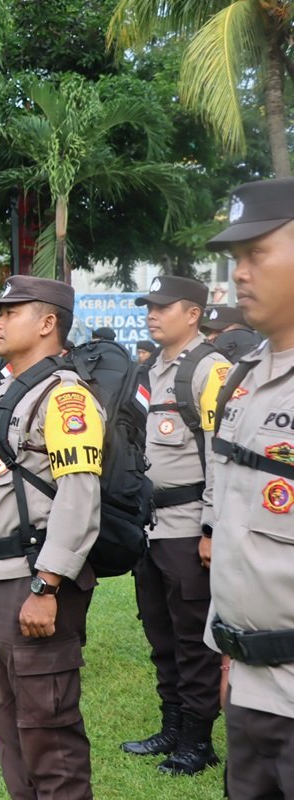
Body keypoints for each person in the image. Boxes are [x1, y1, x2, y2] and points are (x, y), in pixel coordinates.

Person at [0, 275, 103, 799]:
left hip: (32, 581)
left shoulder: (65, 398)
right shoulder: (11, 390)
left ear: (48, 322)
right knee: (9, 721)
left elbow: (79, 498)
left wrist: (49, 584)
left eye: (12, 312)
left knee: (47, 731)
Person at [202, 177, 294, 797]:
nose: (239, 273)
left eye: (257, 253)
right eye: (235, 258)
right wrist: (231, 651)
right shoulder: (247, 375)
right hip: (254, 682)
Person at [122, 275, 227, 774]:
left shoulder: (210, 370)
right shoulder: (154, 369)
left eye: (164, 307)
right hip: (153, 527)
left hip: (189, 528)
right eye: (150, 306)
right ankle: (172, 725)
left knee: (192, 639)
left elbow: (222, 457)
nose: (152, 313)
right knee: (160, 634)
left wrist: (212, 529)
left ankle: (197, 741)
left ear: (193, 314)